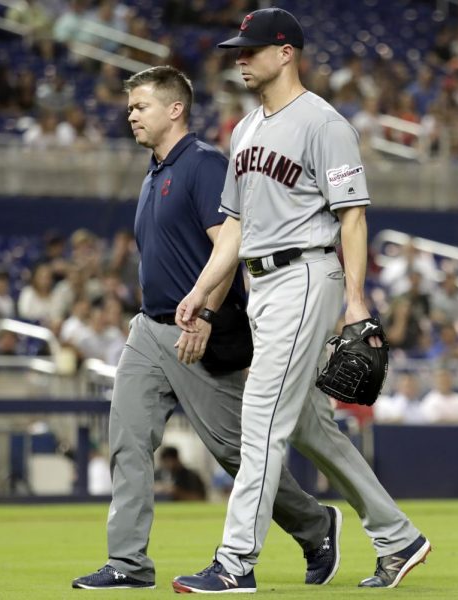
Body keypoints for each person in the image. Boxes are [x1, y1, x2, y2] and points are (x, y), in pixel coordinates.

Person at [173, 9, 429, 593]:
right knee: (313, 427)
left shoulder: (324, 123)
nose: (240, 56)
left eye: (252, 48)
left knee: (262, 418)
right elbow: (234, 229)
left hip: (308, 274)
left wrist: (357, 301)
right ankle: (398, 536)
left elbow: (353, 216)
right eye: (237, 48)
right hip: (262, 285)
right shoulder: (243, 129)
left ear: (286, 52)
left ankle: (236, 562)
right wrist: (201, 292)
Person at [70, 65, 339, 591]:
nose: (131, 115)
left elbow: (230, 245)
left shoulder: (203, 165)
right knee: (126, 439)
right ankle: (128, 561)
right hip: (150, 328)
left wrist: (208, 315)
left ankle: (314, 525)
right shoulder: (154, 172)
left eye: (140, 106)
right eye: (129, 107)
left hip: (199, 331)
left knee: (235, 452)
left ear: (175, 109)